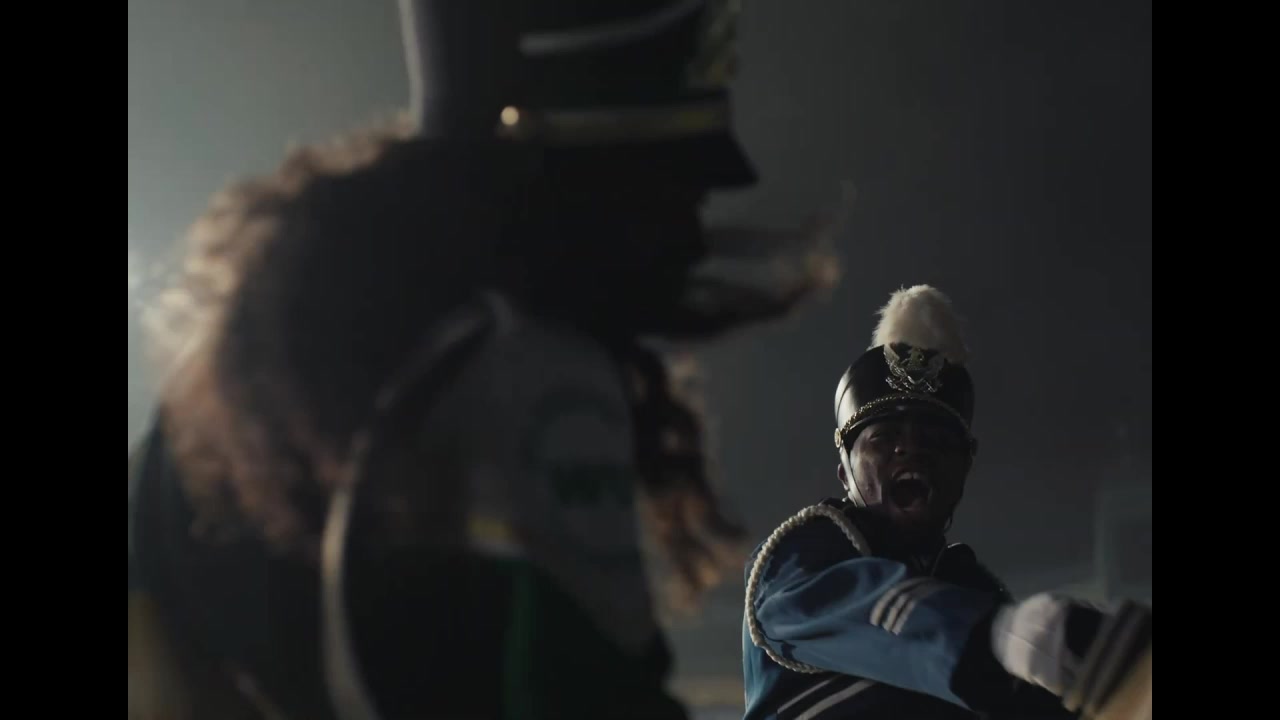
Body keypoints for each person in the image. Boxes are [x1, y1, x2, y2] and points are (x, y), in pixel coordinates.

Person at [127, 1, 842, 719]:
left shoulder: (225, 382)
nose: (691, 229)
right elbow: (587, 697)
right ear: (581, 172)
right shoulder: (528, 370)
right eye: (670, 178)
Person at [741, 285, 1152, 720]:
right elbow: (852, 605)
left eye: (935, 439)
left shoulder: (971, 590)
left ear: (963, 469)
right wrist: (1008, 636)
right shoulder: (795, 559)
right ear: (845, 471)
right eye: (883, 437)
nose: (911, 449)